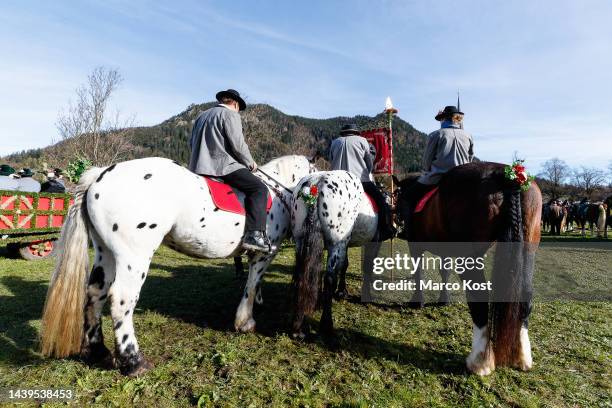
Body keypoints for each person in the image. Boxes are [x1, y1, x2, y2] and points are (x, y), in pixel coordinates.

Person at [189, 89, 271, 253]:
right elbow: (238, 145)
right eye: (239, 108)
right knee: (259, 189)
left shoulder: (201, 116)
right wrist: (250, 163)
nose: (238, 111)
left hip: (197, 167)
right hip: (223, 168)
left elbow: (191, 143)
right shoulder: (231, 115)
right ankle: (254, 235)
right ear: (235, 103)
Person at [398, 105, 474, 239]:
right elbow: (470, 158)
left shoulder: (436, 134)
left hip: (438, 178)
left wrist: (427, 171)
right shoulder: (468, 135)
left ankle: (408, 231)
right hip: (463, 179)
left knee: (407, 197)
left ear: (445, 118)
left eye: (441, 118)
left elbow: (427, 161)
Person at [329, 123, 396, 241]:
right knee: (381, 201)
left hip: (336, 181)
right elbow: (369, 164)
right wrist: (368, 170)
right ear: (355, 132)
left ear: (343, 133)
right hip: (360, 180)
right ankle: (385, 229)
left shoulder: (335, 142)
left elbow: (331, 159)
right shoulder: (362, 141)